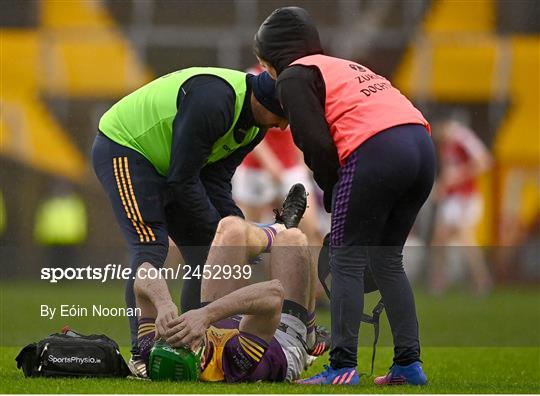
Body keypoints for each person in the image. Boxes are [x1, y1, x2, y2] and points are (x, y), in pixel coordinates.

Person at [253, 7, 435, 385]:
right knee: (387, 263)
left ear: (273, 57)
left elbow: (315, 143)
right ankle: (408, 365)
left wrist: (334, 189)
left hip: (376, 149)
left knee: (346, 260)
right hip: (420, 144)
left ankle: (342, 366)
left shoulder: (292, 76)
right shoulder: (341, 65)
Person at [91, 67, 287, 371]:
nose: (284, 127)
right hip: (126, 148)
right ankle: (141, 353)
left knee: (207, 251)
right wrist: (227, 232)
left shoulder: (254, 126)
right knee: (150, 245)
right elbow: (183, 180)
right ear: (265, 103)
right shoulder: (215, 102)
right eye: (283, 116)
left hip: (171, 167)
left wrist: (233, 230)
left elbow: (215, 181)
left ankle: (193, 344)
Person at [133, 185, 329, 382]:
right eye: (184, 343)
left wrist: (164, 304)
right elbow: (274, 294)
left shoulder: (152, 350)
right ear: (199, 359)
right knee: (291, 240)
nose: (177, 338)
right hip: (282, 338)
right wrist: (204, 315)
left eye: (171, 341)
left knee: (230, 227)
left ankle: (276, 227)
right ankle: (309, 335)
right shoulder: (234, 361)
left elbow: (144, 272)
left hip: (221, 322)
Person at [233, 65, 324, 246]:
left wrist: (302, 159)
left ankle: (315, 274)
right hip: (255, 169)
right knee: (248, 235)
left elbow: (301, 121)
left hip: (289, 167)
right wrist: (269, 163)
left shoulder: (298, 80)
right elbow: (249, 125)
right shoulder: (253, 77)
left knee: (310, 228)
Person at [430, 118, 493, 295]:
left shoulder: (463, 138)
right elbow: (450, 172)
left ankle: (482, 281)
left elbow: (485, 162)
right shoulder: (445, 144)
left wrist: (458, 176)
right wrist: (443, 186)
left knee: (466, 239)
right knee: (440, 240)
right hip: (452, 199)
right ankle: (438, 283)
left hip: (466, 197)